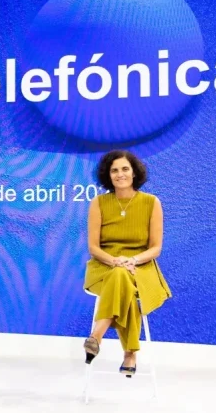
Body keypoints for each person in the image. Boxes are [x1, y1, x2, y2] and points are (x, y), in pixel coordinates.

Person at [83, 150, 172, 376]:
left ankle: (96, 336)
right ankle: (130, 353)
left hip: (141, 266)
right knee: (120, 278)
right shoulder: (98, 203)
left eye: (125, 169)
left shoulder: (151, 203)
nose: (120, 174)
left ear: (134, 173)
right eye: (114, 170)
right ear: (108, 175)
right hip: (104, 265)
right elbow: (93, 247)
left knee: (122, 279)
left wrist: (132, 260)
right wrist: (115, 261)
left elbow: (155, 248)